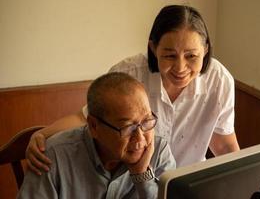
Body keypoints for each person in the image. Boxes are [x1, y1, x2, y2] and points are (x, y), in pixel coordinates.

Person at [26, 5, 239, 175]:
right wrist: (42, 134)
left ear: (206, 49)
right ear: (154, 48)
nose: (181, 68)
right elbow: (87, 118)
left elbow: (224, 146)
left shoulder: (220, 81)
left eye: (192, 56)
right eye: (169, 55)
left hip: (185, 184)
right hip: (130, 184)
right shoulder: (128, 73)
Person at [17, 72, 176, 199]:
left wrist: (142, 176)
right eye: (128, 127)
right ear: (94, 126)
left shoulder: (159, 152)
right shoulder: (54, 157)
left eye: (147, 121)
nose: (140, 139)